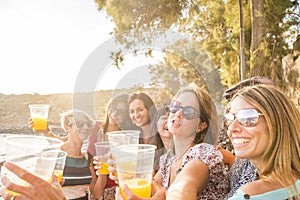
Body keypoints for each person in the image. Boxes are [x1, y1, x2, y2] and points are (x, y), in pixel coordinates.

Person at [117, 85, 228, 199]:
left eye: (188, 111)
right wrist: (123, 173)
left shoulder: (203, 153)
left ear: (201, 126)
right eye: (175, 107)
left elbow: (184, 187)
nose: (178, 113)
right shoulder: (168, 160)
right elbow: (148, 185)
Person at [225, 85, 300, 199]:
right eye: (230, 118)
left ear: (277, 124)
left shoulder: (248, 195)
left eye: (247, 118)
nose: (231, 128)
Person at [88, 93, 138, 200]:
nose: (114, 113)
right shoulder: (95, 128)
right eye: (113, 108)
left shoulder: (126, 137)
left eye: (121, 112)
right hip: (97, 186)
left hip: (118, 187)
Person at [128, 92, 165, 172]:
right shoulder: (134, 139)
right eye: (132, 112)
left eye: (140, 110)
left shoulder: (161, 133)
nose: (136, 115)